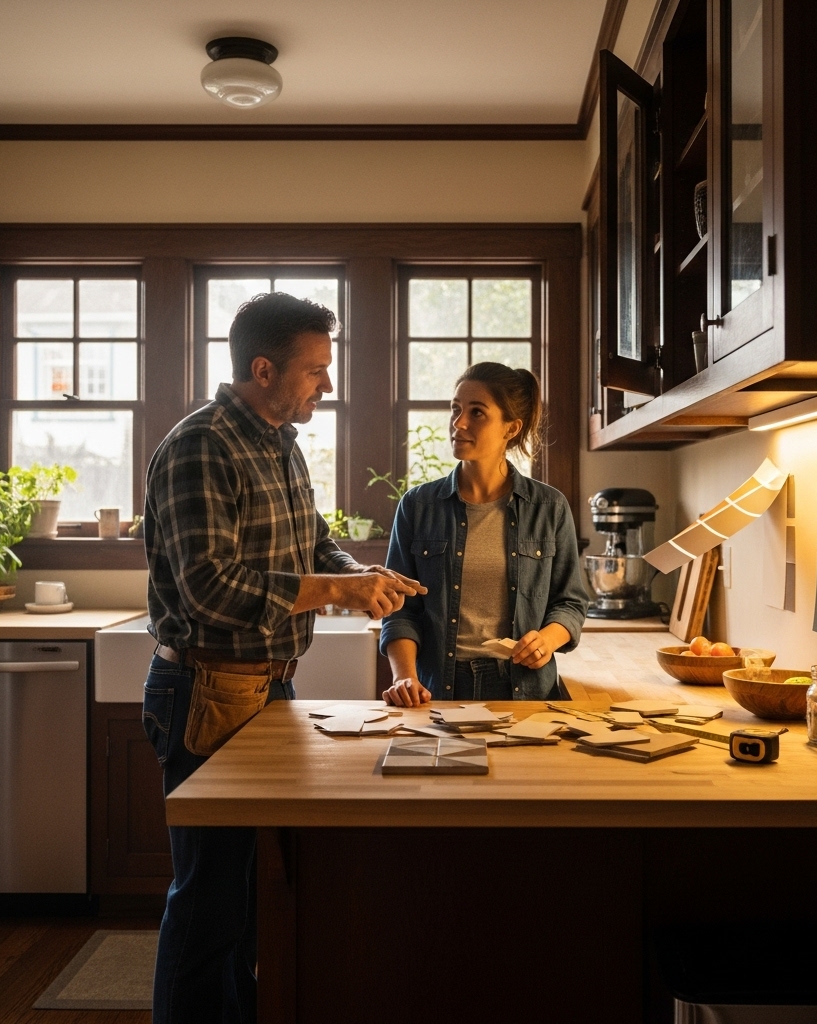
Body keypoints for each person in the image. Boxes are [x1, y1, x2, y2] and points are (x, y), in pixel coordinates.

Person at [140, 291, 425, 1024]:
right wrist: (336, 586)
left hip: (266, 690)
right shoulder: (201, 445)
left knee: (248, 895)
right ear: (263, 369)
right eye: (314, 370)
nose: (326, 386)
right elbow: (208, 590)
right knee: (208, 902)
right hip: (207, 691)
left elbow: (314, 540)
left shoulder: (279, 443)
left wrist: (363, 579)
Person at [380, 362, 588, 706]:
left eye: (477, 412)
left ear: (511, 428)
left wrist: (547, 640)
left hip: (527, 692)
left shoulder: (549, 507)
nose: (458, 423)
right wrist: (404, 676)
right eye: (456, 409)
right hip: (440, 691)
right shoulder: (417, 506)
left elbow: (571, 602)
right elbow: (400, 608)